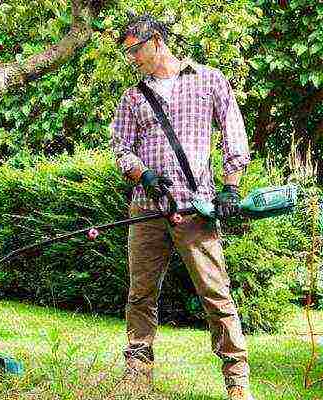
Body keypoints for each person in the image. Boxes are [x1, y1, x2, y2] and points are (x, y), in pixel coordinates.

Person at [109, 13, 254, 400]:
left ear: (156, 41)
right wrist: (141, 173)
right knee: (140, 294)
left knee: (215, 293)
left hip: (196, 210)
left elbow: (233, 134)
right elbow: (120, 149)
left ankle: (237, 382)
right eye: (129, 54)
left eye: (134, 51)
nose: (132, 59)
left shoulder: (209, 80)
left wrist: (231, 186)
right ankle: (137, 374)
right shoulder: (133, 97)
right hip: (146, 210)